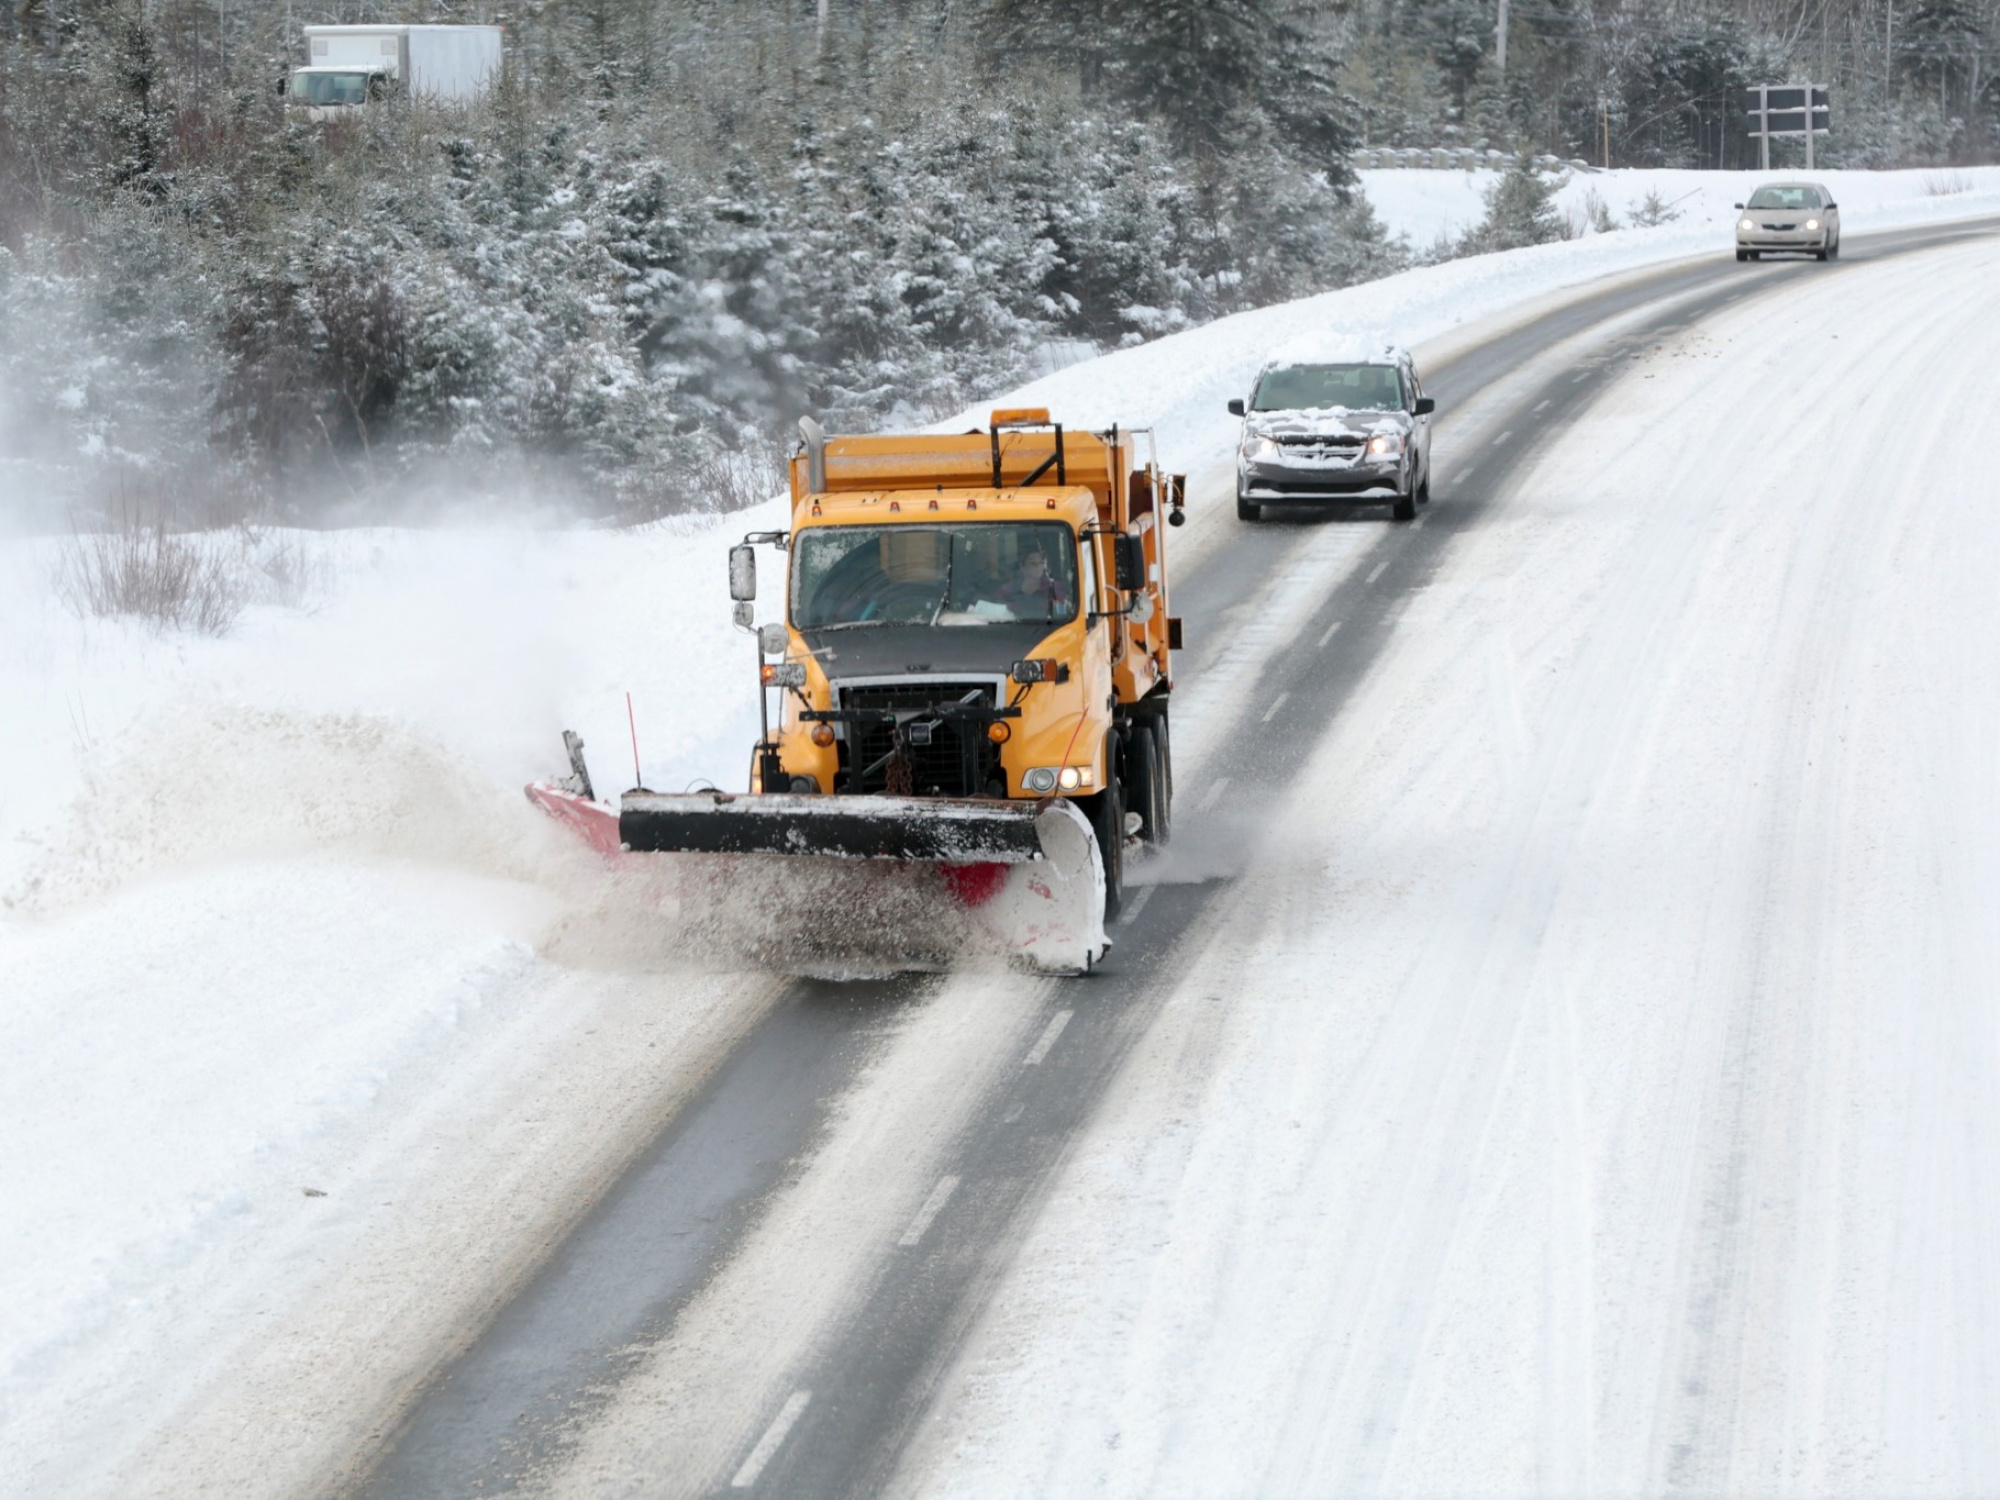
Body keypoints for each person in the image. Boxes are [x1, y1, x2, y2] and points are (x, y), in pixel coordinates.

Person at [997, 546, 1069, 614]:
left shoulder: (1054, 588)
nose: (1038, 567)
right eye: (1033, 563)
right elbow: (999, 613)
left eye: (1041, 563)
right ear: (1022, 566)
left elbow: (1061, 612)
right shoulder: (1006, 590)